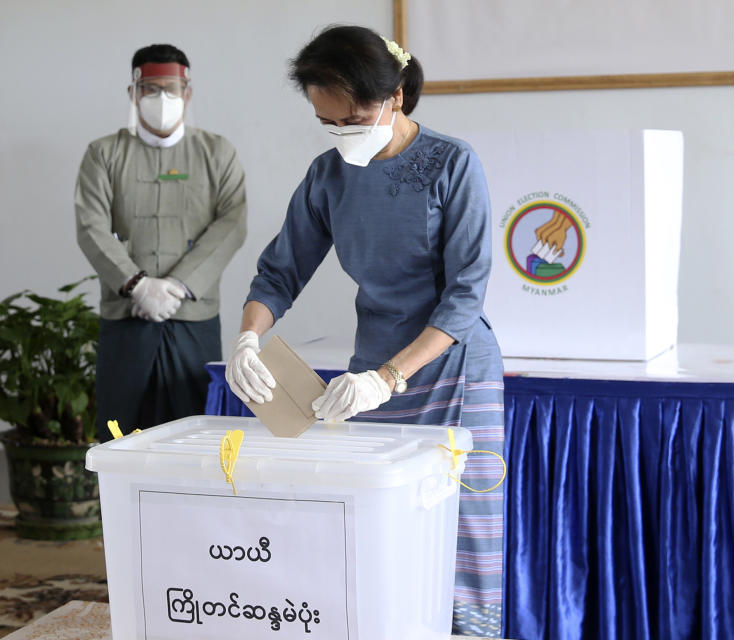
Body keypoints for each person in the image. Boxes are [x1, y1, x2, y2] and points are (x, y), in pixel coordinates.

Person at [224, 25, 505, 637]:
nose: (341, 134)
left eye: (352, 119)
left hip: (451, 368)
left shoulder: (452, 165)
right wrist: (247, 337)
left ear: (395, 96)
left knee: (463, 534)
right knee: (383, 525)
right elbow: (279, 272)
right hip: (372, 368)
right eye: (328, 122)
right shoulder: (330, 175)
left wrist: (389, 377)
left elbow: (465, 296)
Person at [76, 44, 246, 442]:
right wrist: (137, 284)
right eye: (150, 89)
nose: (161, 99)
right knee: (121, 433)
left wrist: (178, 285)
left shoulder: (216, 152)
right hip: (127, 313)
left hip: (193, 315)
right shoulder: (104, 154)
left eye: (170, 89)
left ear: (188, 93)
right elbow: (91, 226)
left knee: (196, 433)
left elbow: (232, 224)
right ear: (133, 93)